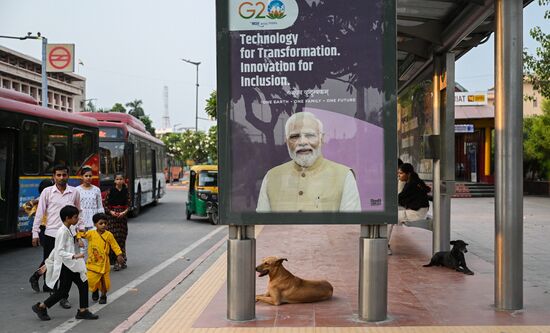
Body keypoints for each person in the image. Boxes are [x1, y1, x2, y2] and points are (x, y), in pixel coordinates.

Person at [256, 112, 361, 212]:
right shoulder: (271, 178)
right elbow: (261, 227)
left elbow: (351, 228)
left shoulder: (344, 176)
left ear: (321, 139)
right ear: (286, 141)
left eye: (310, 135)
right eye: (294, 136)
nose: (302, 142)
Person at [31, 205, 98, 321]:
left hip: (70, 264)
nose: (77, 219)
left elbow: (65, 243)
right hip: (66, 265)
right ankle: (42, 307)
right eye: (75, 217)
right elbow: (59, 250)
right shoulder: (62, 232)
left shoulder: (69, 229)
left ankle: (82, 310)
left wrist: (78, 240)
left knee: (78, 285)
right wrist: (74, 255)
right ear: (67, 218)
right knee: (67, 289)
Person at [30, 165, 84, 309]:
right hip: (51, 234)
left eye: (64, 175)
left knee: (66, 268)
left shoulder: (74, 192)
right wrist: (35, 233)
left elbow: (79, 212)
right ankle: (53, 293)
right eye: (58, 175)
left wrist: (80, 232)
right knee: (52, 266)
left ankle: (62, 297)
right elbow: (40, 213)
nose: (61, 177)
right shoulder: (47, 192)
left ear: (68, 176)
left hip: (68, 236)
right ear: (53, 177)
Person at [78, 213, 124, 304]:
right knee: (91, 280)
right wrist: (79, 238)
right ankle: (94, 290)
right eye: (101, 223)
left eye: (105, 223)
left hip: (104, 263)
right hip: (92, 263)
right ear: (95, 224)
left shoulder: (109, 235)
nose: (103, 225)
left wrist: (119, 255)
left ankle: (103, 296)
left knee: (104, 282)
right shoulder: (91, 233)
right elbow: (81, 234)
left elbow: (114, 245)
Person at [388, 163, 431, 255]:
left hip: (416, 213)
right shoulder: (415, 181)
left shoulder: (411, 184)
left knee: (389, 218)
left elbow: (399, 198)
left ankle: (385, 246)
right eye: (398, 173)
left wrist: (400, 182)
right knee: (394, 213)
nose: (398, 175)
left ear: (408, 174)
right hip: (419, 210)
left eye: (401, 173)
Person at [28, 177, 55, 292]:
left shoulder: (54, 197)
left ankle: (42, 280)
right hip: (44, 230)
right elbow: (26, 208)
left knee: (51, 257)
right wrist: (34, 201)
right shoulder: (40, 199)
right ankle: (39, 278)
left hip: (54, 229)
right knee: (49, 257)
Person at [76, 167, 105, 260]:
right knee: (83, 247)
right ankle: (83, 269)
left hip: (94, 221)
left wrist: (102, 221)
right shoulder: (76, 190)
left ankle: (93, 266)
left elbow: (100, 206)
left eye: (90, 176)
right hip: (82, 221)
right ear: (82, 177)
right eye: (86, 176)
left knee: (95, 245)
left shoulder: (96, 190)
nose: (88, 178)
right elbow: (75, 207)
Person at [104, 174, 130, 270]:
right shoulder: (110, 191)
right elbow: (106, 205)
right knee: (113, 239)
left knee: (121, 239)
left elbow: (128, 204)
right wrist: (111, 212)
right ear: (114, 181)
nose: (119, 181)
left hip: (122, 218)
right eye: (117, 179)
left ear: (123, 181)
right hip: (112, 218)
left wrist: (124, 212)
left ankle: (122, 261)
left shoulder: (126, 191)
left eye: (121, 179)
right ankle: (115, 261)